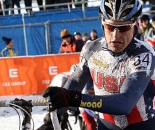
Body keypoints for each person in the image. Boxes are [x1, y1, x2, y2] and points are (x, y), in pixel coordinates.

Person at [42, 0, 155, 130]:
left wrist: (75, 98)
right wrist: (50, 121)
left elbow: (125, 103)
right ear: (102, 25)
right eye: (110, 27)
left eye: (123, 28)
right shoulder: (91, 49)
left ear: (134, 27)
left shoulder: (143, 53)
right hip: (105, 126)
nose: (115, 35)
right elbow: (74, 84)